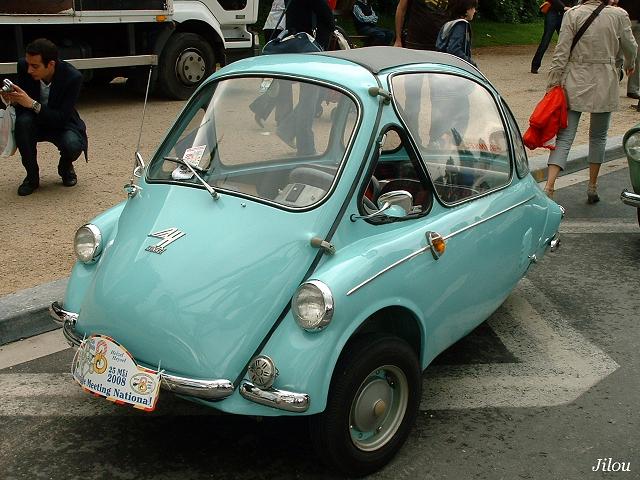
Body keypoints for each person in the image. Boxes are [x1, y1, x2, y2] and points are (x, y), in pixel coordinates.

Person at [543, 0, 637, 203]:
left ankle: (549, 186)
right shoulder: (619, 15)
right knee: (598, 136)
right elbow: (630, 46)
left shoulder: (573, 14)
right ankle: (592, 185)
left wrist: (553, 82)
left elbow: (561, 52)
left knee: (565, 136)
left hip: (575, 78)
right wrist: (630, 64)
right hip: (605, 79)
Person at [0, 38, 87, 196]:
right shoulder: (24, 66)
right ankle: (32, 178)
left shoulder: (73, 77)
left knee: (73, 144)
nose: (29, 70)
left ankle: (65, 168)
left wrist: (32, 104)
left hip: (61, 122)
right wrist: (12, 100)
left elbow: (61, 118)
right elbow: (21, 105)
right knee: (22, 123)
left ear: (51, 64)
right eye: (28, 64)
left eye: (35, 66)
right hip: (33, 120)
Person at [531, 0, 576, 74]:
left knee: (566, 41)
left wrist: (573, 8)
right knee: (546, 40)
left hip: (564, 14)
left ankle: (569, 66)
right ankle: (535, 65)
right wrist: (563, 7)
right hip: (552, 12)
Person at [435, 0, 478, 66]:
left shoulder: (448, 23)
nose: (475, 11)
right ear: (467, 10)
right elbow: (454, 50)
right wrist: (471, 64)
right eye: (473, 8)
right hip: (453, 66)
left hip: (443, 64)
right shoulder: (461, 24)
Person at [618, 0, 640, 98]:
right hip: (620, 18)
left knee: (637, 56)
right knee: (616, 54)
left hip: (637, 21)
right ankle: (614, 84)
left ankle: (633, 88)